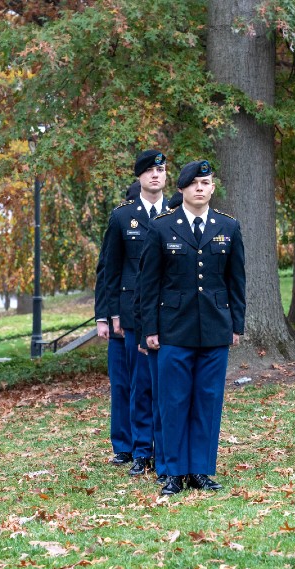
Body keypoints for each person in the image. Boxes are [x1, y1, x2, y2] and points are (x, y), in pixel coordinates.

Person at [138, 160, 246, 496]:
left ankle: (200, 469)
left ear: (213, 188)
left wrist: (236, 324)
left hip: (214, 328)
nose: (200, 188)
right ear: (182, 189)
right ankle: (172, 471)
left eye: (206, 182)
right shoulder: (161, 228)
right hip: (173, 329)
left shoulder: (228, 227)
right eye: (194, 183)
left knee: (207, 401)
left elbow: (236, 280)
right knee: (173, 402)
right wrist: (149, 330)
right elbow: (148, 285)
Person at [97, 150, 168, 476]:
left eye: (161, 170)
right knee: (137, 384)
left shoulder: (177, 213)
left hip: (168, 311)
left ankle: (162, 446)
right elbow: (109, 270)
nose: (156, 175)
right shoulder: (123, 217)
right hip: (132, 313)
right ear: (139, 177)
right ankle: (139, 450)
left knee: (163, 384)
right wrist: (108, 315)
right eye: (149, 171)